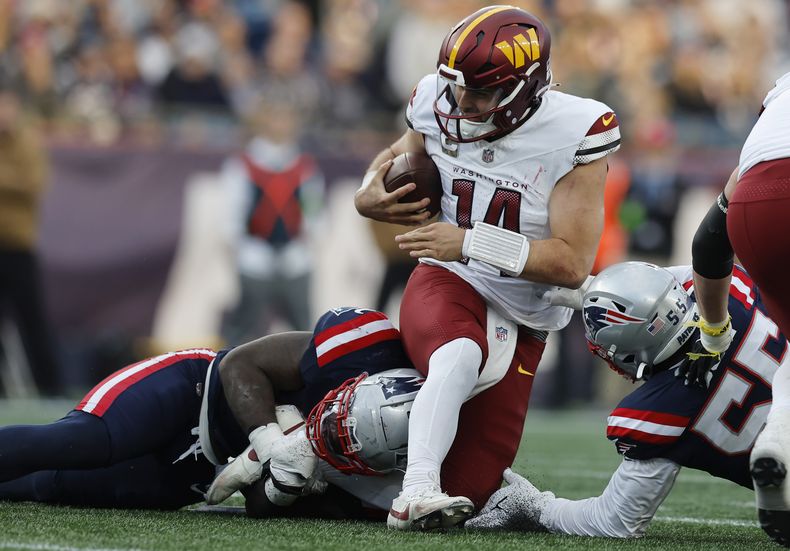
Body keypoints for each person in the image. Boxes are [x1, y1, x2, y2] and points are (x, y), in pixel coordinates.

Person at [353, 5, 620, 530]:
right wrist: (367, 191)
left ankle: (351, 470)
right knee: (458, 354)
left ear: (525, 90)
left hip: (525, 313)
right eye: (457, 88)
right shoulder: (437, 94)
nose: (461, 103)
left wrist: (470, 240)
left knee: (471, 490)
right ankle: (415, 490)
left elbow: (570, 263)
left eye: (480, 93)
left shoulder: (576, 130)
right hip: (450, 278)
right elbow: (399, 152)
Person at [466, 262, 788, 546]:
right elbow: (669, 282)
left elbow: (615, 522)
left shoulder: (664, 408)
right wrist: (596, 291)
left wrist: (539, 508)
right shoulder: (733, 292)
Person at [0, 307, 415, 515]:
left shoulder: (382, 486)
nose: (333, 429)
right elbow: (241, 363)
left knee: (54, 488)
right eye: (344, 416)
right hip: (196, 389)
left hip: (207, 472)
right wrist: (272, 444)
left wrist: (282, 483)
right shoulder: (367, 346)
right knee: (82, 441)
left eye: (348, 444)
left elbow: (258, 506)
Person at [690, 71, 790, 546]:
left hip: (753, 205)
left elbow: (708, 244)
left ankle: (777, 442)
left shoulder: (779, 101)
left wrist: (713, 331)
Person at [220, 95, 325, 344]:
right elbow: (232, 212)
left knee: (303, 331)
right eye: (274, 116)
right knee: (242, 330)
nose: (281, 124)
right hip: (254, 256)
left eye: (287, 117)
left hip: (295, 257)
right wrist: (238, 245)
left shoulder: (304, 166)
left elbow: (314, 209)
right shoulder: (242, 165)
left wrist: (312, 237)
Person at [0, 83, 60, 396]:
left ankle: (50, 388)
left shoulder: (26, 141)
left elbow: (34, 183)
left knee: (32, 322)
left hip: (19, 246)